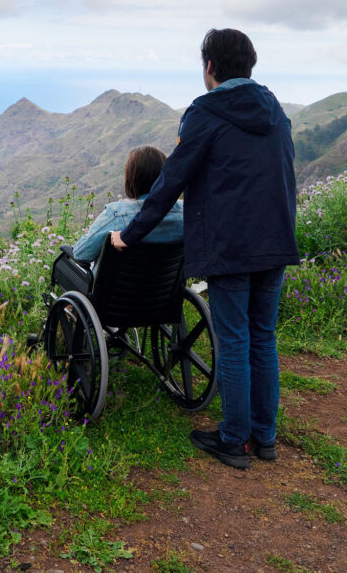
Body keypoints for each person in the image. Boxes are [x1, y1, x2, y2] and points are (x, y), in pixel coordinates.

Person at [110, 28, 299, 469]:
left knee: (233, 342)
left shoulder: (206, 114)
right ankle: (264, 439)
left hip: (232, 246)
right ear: (250, 64)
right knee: (263, 338)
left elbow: (168, 182)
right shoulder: (276, 112)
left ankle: (235, 440)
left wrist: (129, 235)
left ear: (210, 67)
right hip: (276, 241)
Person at [53, 145, 183, 294]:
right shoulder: (184, 214)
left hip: (114, 301)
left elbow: (81, 254)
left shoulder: (117, 215)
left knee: (63, 263)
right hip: (161, 299)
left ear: (132, 179)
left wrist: (94, 235)